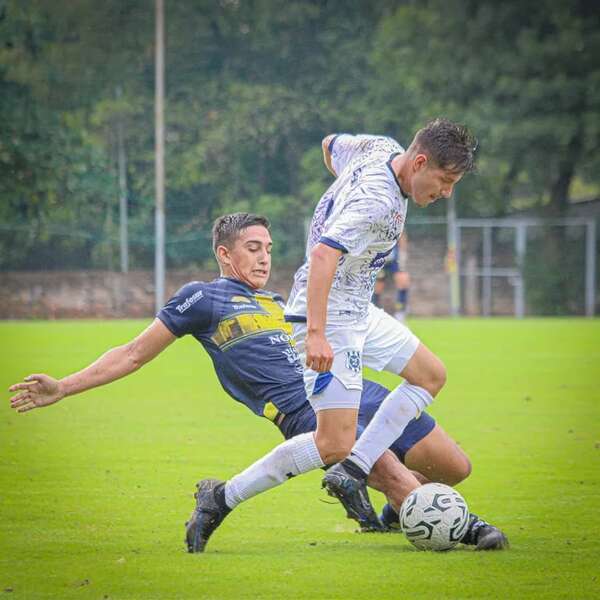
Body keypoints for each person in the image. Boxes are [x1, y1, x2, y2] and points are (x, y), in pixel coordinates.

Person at [8, 212, 507, 553]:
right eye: (252, 248)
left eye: (268, 248)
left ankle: (388, 499)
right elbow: (133, 354)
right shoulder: (201, 298)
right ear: (225, 255)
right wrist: (64, 387)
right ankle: (461, 526)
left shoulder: (283, 302)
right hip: (306, 410)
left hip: (354, 385)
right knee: (399, 479)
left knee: (454, 467)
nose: (264, 258)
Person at [284, 118, 477, 527]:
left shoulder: (377, 148)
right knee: (331, 441)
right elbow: (322, 256)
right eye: (444, 181)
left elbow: (329, 143)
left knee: (430, 375)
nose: (446, 192)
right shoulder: (377, 201)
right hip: (328, 312)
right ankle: (224, 496)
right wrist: (316, 334)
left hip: (358, 308)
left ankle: (355, 470)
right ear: (420, 161)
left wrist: (343, 186)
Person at [373, 234, 410, 322]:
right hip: (378, 255)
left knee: (403, 281)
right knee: (377, 286)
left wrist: (403, 254)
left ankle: (400, 315)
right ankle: (373, 313)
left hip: (394, 258)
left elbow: (402, 235)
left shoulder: (395, 221)